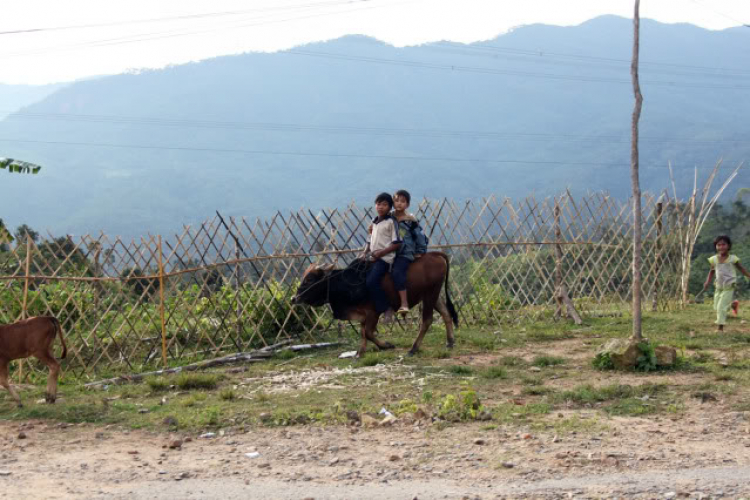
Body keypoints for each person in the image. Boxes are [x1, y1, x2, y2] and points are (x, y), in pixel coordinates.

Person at [364, 192, 402, 317]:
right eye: (378, 204)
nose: (380, 207)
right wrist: (365, 252)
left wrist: (381, 253)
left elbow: (397, 243)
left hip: (385, 259)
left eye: (384, 204)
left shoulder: (391, 221)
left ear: (390, 207)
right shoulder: (374, 221)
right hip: (372, 257)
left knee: (371, 281)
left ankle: (386, 308)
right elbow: (370, 240)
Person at [391, 189, 428, 315]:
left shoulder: (410, 220)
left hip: (405, 253)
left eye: (403, 201)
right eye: (396, 201)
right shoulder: (389, 217)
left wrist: (421, 251)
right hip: (389, 252)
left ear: (407, 204)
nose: (399, 204)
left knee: (397, 272)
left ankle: (404, 303)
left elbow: (420, 236)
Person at [703, 235, 750, 331]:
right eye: (718, 245)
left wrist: (748, 275)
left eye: (723, 244)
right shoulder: (713, 259)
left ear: (728, 246)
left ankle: (720, 328)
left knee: (721, 307)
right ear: (716, 246)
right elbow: (712, 271)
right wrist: (707, 281)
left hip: (729, 285)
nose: (721, 247)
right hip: (719, 286)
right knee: (716, 306)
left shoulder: (733, 259)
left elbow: (740, 268)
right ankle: (733, 304)